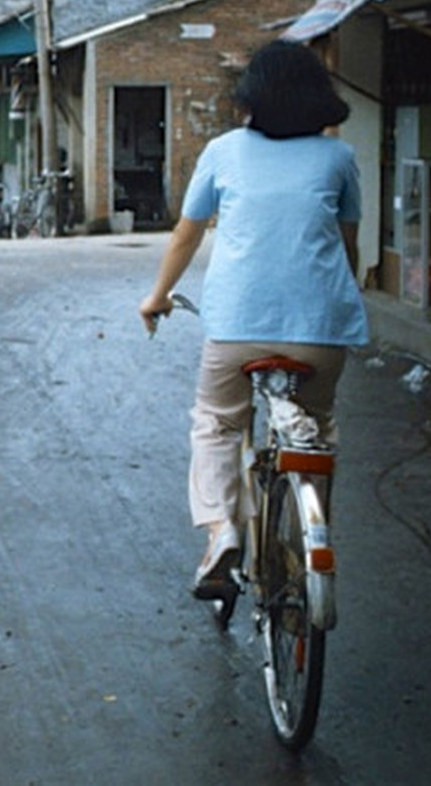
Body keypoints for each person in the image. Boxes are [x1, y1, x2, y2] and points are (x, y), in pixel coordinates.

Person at [137, 40, 367, 598]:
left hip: (237, 327)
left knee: (218, 423)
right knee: (315, 427)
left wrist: (158, 296)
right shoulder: (338, 158)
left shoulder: (222, 151)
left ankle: (222, 530)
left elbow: (187, 234)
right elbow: (347, 247)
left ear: (251, 96)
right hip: (321, 330)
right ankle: (307, 539)